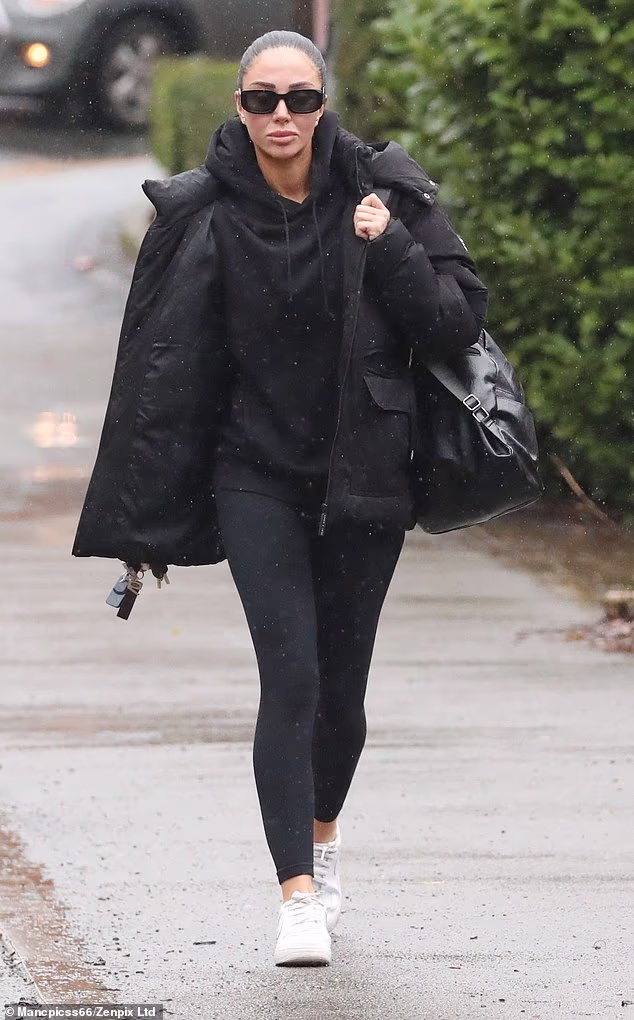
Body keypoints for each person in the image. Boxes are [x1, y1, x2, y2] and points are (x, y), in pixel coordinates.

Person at [73, 30, 487, 967]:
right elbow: (157, 370)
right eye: (262, 99)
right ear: (240, 107)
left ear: (323, 103)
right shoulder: (201, 213)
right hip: (252, 475)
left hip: (367, 475)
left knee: (342, 694)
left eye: (300, 98)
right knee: (291, 678)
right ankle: (296, 894)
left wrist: (389, 247)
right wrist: (145, 511)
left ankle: (324, 842)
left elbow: (456, 324)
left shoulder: (382, 192)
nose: (282, 117)